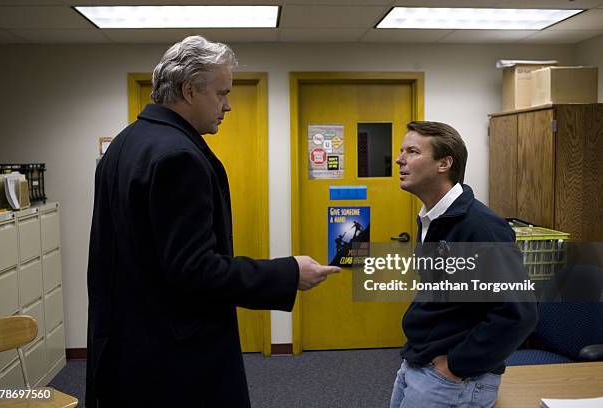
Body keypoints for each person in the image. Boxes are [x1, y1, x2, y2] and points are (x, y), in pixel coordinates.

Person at [86, 36, 339, 407]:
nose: (228, 105)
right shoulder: (177, 156)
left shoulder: (128, 142)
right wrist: (288, 274)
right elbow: (193, 270)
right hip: (173, 359)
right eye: (221, 94)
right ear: (189, 90)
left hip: (127, 346)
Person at [390, 121, 538, 407]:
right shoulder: (432, 218)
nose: (400, 159)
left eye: (412, 151)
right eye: (401, 151)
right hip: (418, 361)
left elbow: (519, 313)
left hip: (452, 379)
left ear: (444, 163)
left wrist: (456, 364)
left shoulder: (480, 227)